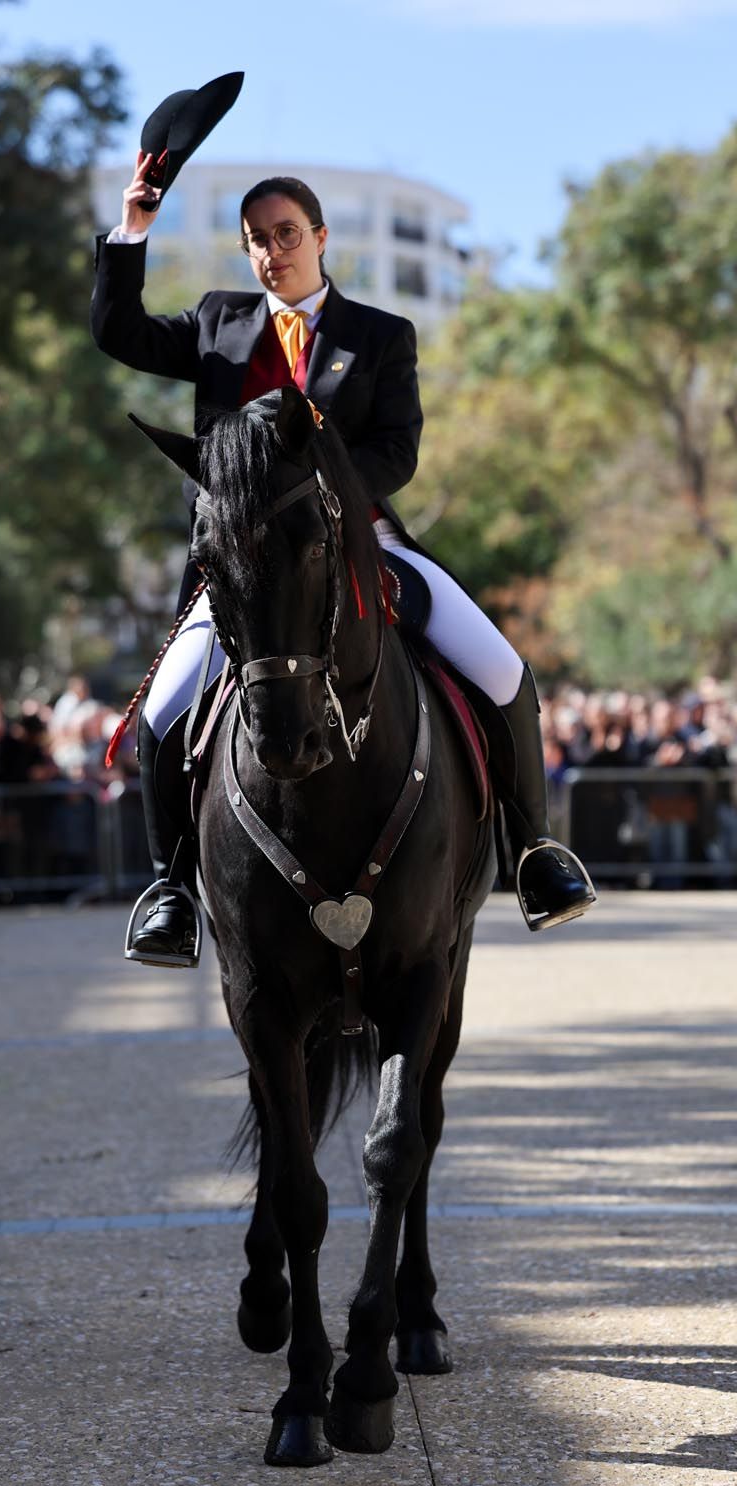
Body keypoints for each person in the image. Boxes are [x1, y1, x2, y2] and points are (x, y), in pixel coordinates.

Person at [92, 157, 595, 962]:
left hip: (365, 538)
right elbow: (119, 334)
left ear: (320, 238)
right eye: (257, 240)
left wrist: (327, 489)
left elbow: (398, 450)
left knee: (504, 671)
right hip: (252, 566)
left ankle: (537, 852)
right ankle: (170, 890)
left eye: (287, 234)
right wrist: (134, 230)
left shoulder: (380, 336)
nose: (272, 252)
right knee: (160, 710)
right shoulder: (220, 323)